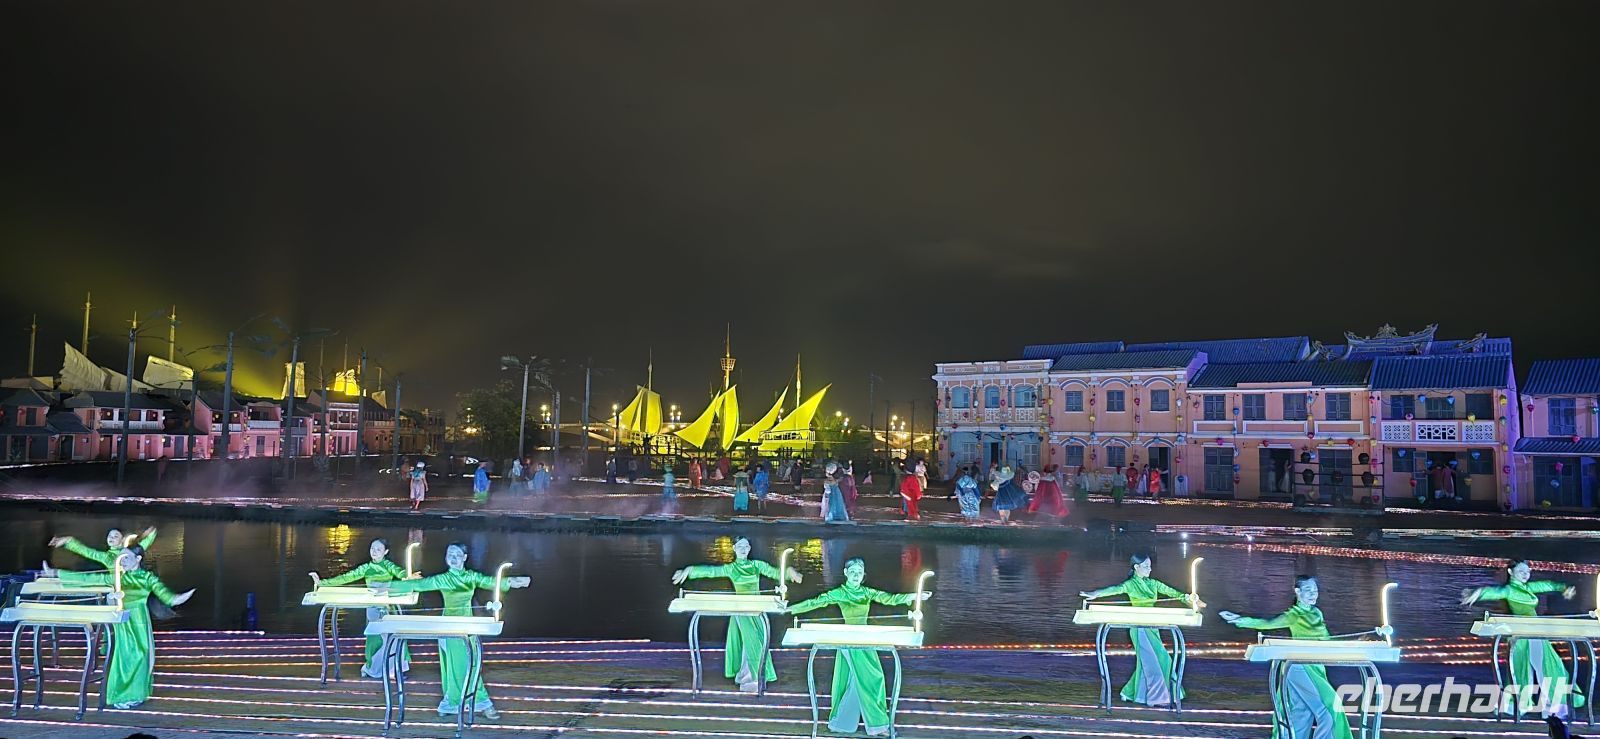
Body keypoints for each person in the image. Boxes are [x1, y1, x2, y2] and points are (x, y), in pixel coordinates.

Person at [375, 543, 530, 720]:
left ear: (465, 557)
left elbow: (491, 582)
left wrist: (510, 582)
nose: (453, 558)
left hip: (469, 626)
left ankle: (475, 702)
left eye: (457, 555)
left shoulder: (471, 577)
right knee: (454, 666)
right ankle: (457, 702)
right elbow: (419, 584)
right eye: (450, 554)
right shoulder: (443, 579)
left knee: (471, 664)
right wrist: (388, 585)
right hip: (448, 626)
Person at [787, 558, 931, 737]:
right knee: (869, 679)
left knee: (862, 680)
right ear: (846, 573)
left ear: (863, 575)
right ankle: (875, 725)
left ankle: (852, 723)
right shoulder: (840, 593)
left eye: (859, 572)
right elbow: (815, 602)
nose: (856, 575)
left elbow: (889, 598)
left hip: (865, 639)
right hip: (849, 641)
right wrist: (790, 609)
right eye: (853, 572)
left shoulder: (866, 592)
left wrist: (914, 596)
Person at [45, 545, 194, 709]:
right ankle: (121, 694)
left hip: (139, 620)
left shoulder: (147, 577)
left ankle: (136, 694)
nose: (122, 561)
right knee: (123, 658)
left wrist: (178, 598)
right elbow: (89, 579)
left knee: (139, 655)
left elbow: (167, 596)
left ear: (138, 559)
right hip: (122, 620)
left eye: (126, 558)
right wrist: (57, 573)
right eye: (120, 558)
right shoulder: (118, 577)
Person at [1221, 576, 1363, 739]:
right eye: (1308, 590)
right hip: (1300, 667)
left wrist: (1355, 642)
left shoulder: (1317, 613)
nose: (1313, 594)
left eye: (1315, 590)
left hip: (1315, 667)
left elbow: (1326, 641)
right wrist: (1239, 620)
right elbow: (1268, 624)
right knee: (1330, 708)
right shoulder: (1294, 614)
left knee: (1301, 714)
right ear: (1298, 592)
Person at [671, 537, 802, 692]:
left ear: (750, 548)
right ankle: (751, 678)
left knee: (757, 641)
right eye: (740, 546)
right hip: (741, 609)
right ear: (734, 548)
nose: (743, 549)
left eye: (746, 546)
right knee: (751, 641)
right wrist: (689, 570)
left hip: (756, 608)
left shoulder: (756, 565)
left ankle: (751, 676)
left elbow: (775, 573)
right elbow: (711, 571)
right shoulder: (732, 568)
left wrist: (788, 572)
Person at [1462, 560, 1585, 717]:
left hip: (1535, 632)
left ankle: (1548, 704)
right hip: (1523, 635)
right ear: (1510, 572)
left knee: (1547, 666)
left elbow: (1547, 585)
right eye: (1521, 571)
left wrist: (1564, 588)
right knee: (1528, 668)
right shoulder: (1509, 590)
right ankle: (1530, 704)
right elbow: (1495, 592)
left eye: (1527, 571)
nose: (1525, 574)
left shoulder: (1528, 588)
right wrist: (1478, 593)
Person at [1080, 554, 1203, 706]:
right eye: (1146, 566)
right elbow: (1115, 589)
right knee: (1153, 660)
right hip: (1139, 628)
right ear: (1136, 567)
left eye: (1150, 566)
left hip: (1153, 626)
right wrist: (1095, 593)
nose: (1149, 569)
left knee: (1155, 660)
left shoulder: (1153, 584)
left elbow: (1173, 593)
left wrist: (1189, 598)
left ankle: (1130, 692)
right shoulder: (1131, 584)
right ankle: (1156, 696)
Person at [310, 538, 417, 678]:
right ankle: (373, 668)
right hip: (372, 607)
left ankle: (396, 669)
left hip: (388, 606)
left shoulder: (388, 565)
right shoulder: (366, 568)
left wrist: (408, 577)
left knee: (395, 635)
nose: (374, 552)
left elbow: (401, 573)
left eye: (378, 549)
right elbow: (346, 577)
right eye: (372, 548)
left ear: (386, 552)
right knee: (376, 638)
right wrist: (322, 582)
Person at [50, 526, 158, 568]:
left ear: (122, 540)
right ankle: (53, 574)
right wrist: (68, 540)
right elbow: (87, 552)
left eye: (115, 536)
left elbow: (147, 539)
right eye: (110, 536)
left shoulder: (131, 552)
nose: (111, 538)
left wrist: (147, 533)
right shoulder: (107, 556)